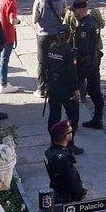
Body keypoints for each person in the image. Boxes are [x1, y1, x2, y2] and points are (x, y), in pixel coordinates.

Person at [43, 12, 83, 150]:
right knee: (73, 116)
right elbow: (72, 73)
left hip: (53, 86)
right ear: (69, 36)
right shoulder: (69, 52)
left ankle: (54, 142)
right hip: (66, 88)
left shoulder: (51, 48)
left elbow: (45, 66)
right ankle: (69, 143)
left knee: (54, 115)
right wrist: (76, 89)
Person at [68, 0, 105, 130]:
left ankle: (74, 123)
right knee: (94, 90)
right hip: (94, 61)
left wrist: (73, 59)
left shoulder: (83, 26)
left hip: (85, 64)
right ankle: (98, 119)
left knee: (75, 91)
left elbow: (82, 49)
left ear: (81, 10)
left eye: (75, 11)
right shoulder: (94, 22)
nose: (73, 13)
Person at [31, 0, 68, 98]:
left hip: (43, 35)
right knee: (57, 60)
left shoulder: (39, 1)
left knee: (42, 63)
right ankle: (56, 86)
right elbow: (64, 14)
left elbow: (35, 19)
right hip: (57, 36)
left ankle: (41, 89)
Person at [45, 120, 87, 204]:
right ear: (67, 137)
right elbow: (71, 179)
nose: (72, 133)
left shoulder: (49, 151)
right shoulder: (62, 159)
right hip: (66, 199)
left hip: (57, 191)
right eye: (71, 131)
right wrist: (81, 192)